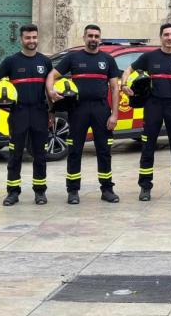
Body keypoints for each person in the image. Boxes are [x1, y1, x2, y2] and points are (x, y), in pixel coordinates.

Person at [46, 24, 122, 205]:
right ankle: (73, 191)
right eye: (90, 36)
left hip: (101, 110)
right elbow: (52, 75)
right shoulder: (73, 57)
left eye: (96, 36)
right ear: (84, 37)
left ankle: (107, 189)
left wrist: (115, 114)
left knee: (104, 151)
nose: (93, 39)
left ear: (100, 39)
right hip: (78, 110)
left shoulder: (108, 59)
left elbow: (114, 88)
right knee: (75, 151)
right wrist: (50, 91)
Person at [122, 23, 171, 201]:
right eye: (166, 35)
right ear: (160, 37)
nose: (169, 38)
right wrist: (124, 85)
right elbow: (128, 70)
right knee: (147, 147)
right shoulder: (149, 57)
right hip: (153, 105)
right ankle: (145, 188)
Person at [0, 23, 53, 206]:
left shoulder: (45, 62)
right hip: (18, 113)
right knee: (15, 154)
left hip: (40, 112)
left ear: (38, 38)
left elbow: (49, 91)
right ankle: (13, 192)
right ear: (21, 39)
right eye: (28, 38)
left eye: (34, 37)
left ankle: (40, 192)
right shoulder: (11, 61)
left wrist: (52, 112)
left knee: (40, 154)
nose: (31, 41)